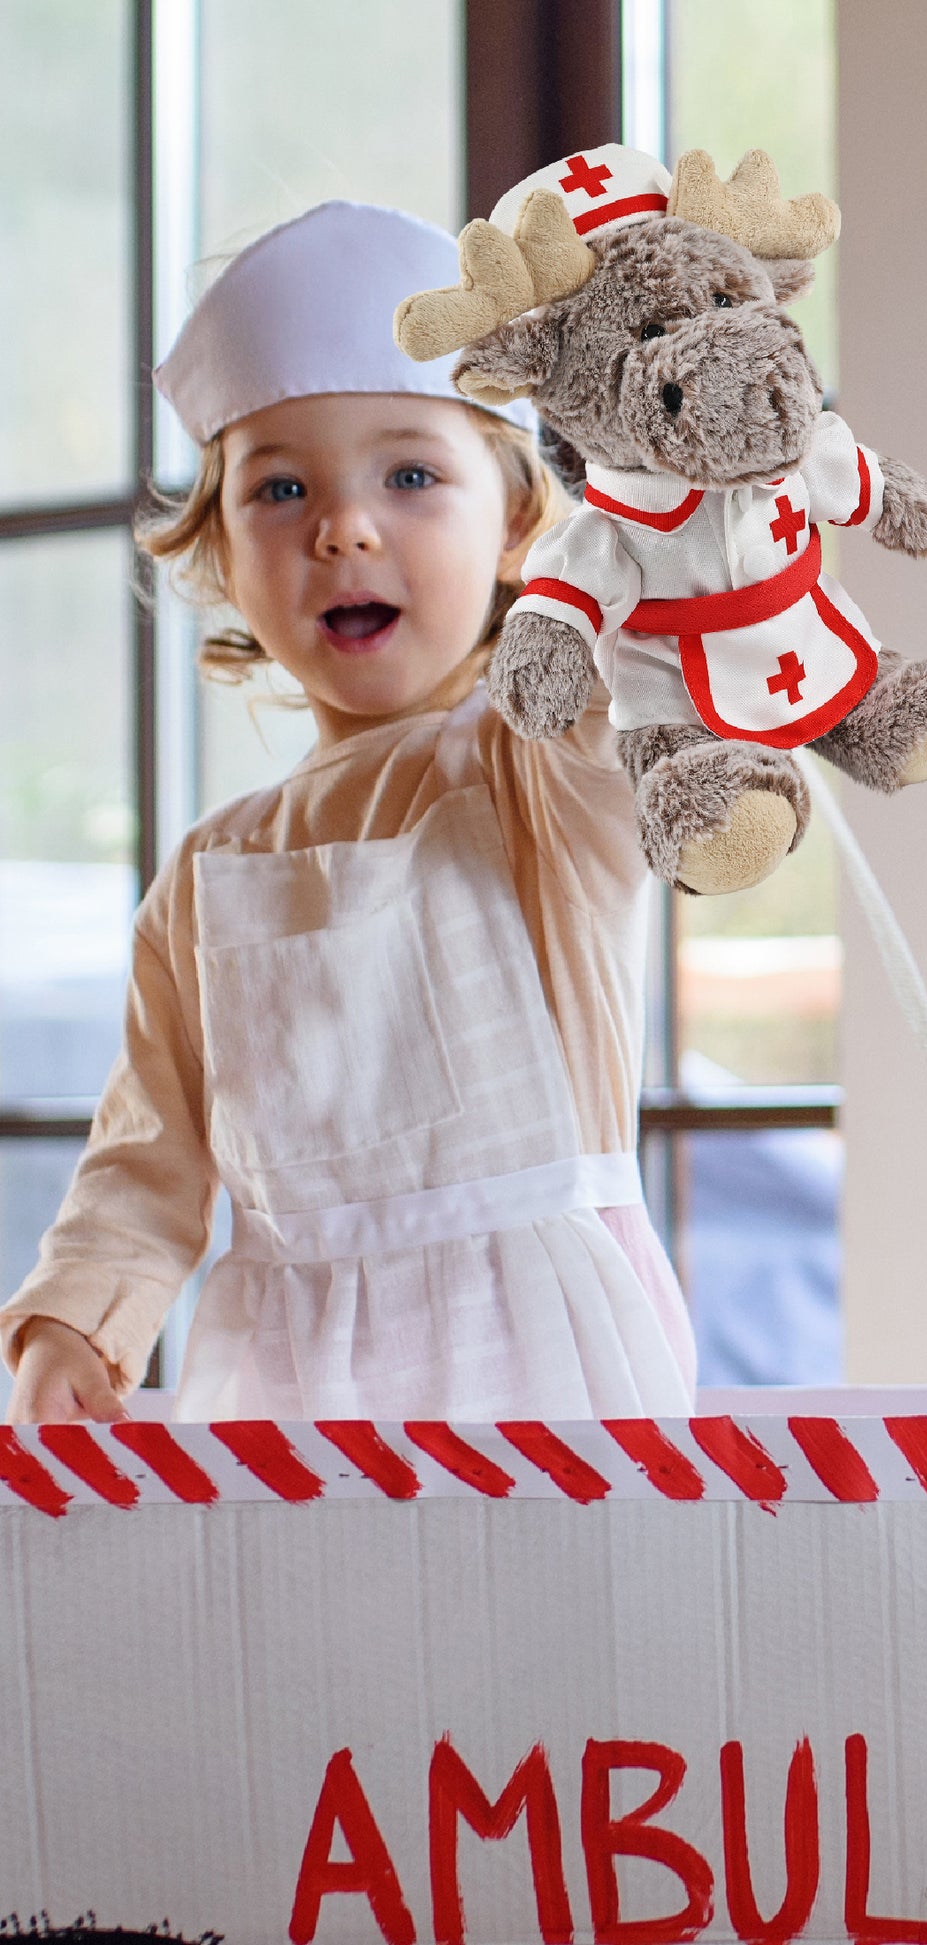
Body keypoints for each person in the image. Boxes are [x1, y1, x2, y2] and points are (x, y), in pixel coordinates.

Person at [1, 201, 695, 1422]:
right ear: (220, 553)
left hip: (546, 1373)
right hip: (286, 1383)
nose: (342, 528)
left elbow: (638, 680)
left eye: (411, 475)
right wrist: (76, 1320)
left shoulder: (536, 769)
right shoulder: (209, 871)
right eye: (279, 489)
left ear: (518, 523)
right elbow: (148, 1153)